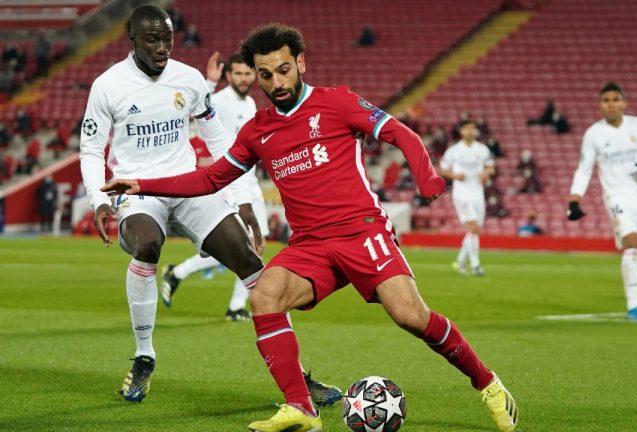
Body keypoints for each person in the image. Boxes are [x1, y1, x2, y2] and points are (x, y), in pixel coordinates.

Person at [102, 23, 518, 432]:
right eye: (265, 75)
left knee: (411, 316)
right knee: (264, 296)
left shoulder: (337, 102)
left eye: (284, 70)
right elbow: (211, 179)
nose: (276, 82)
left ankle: (488, 384)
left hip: (361, 232)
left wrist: (427, 178)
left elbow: (401, 134)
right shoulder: (257, 131)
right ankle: (301, 408)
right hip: (311, 245)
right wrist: (142, 184)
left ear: (300, 62)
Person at [79, 7, 337, 407]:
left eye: (167, 38)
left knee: (253, 266)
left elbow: (219, 142)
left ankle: (298, 380)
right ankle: (144, 355)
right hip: (137, 190)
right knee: (147, 245)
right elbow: (92, 148)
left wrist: (243, 199)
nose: (162, 47)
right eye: (152, 39)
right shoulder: (108, 85)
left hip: (187, 184)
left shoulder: (190, 80)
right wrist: (98, 200)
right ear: (132, 39)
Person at [161, 51, 270, 321]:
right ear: (228, 75)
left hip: (250, 183)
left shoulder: (251, 103)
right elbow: (190, 112)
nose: (244, 79)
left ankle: (230, 303)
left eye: (248, 73)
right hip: (230, 184)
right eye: (238, 74)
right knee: (238, 246)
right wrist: (209, 84)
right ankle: (225, 300)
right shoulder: (220, 99)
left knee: (254, 247)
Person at [567, 82, 637, 322]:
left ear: (623, 102)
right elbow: (584, 170)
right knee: (632, 241)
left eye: (615, 99)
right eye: (606, 101)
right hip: (616, 196)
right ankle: (633, 306)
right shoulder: (593, 133)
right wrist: (574, 200)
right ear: (601, 105)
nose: (611, 104)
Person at [440, 118, 495, 276]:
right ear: (461, 131)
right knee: (473, 228)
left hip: (478, 193)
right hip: (462, 194)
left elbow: (490, 166)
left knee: (475, 230)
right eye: (467, 129)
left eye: (472, 129)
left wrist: (486, 172)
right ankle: (476, 265)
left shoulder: (482, 149)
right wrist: (455, 175)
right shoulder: (453, 150)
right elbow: (443, 169)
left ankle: (459, 262)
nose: (470, 132)